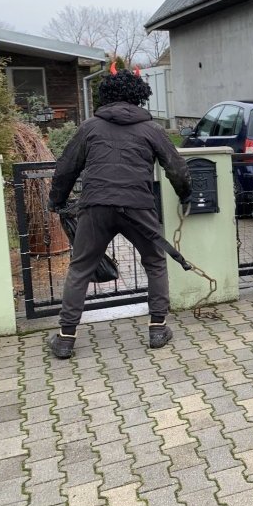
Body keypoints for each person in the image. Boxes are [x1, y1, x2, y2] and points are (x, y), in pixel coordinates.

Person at [47, 66, 191, 359]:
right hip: (137, 207)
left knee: (80, 268)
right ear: (139, 95)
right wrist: (185, 194)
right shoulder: (152, 129)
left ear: (107, 94)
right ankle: (157, 328)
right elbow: (176, 167)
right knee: (154, 262)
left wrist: (57, 201)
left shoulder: (90, 127)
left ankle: (65, 338)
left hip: (96, 206)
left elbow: (66, 168)